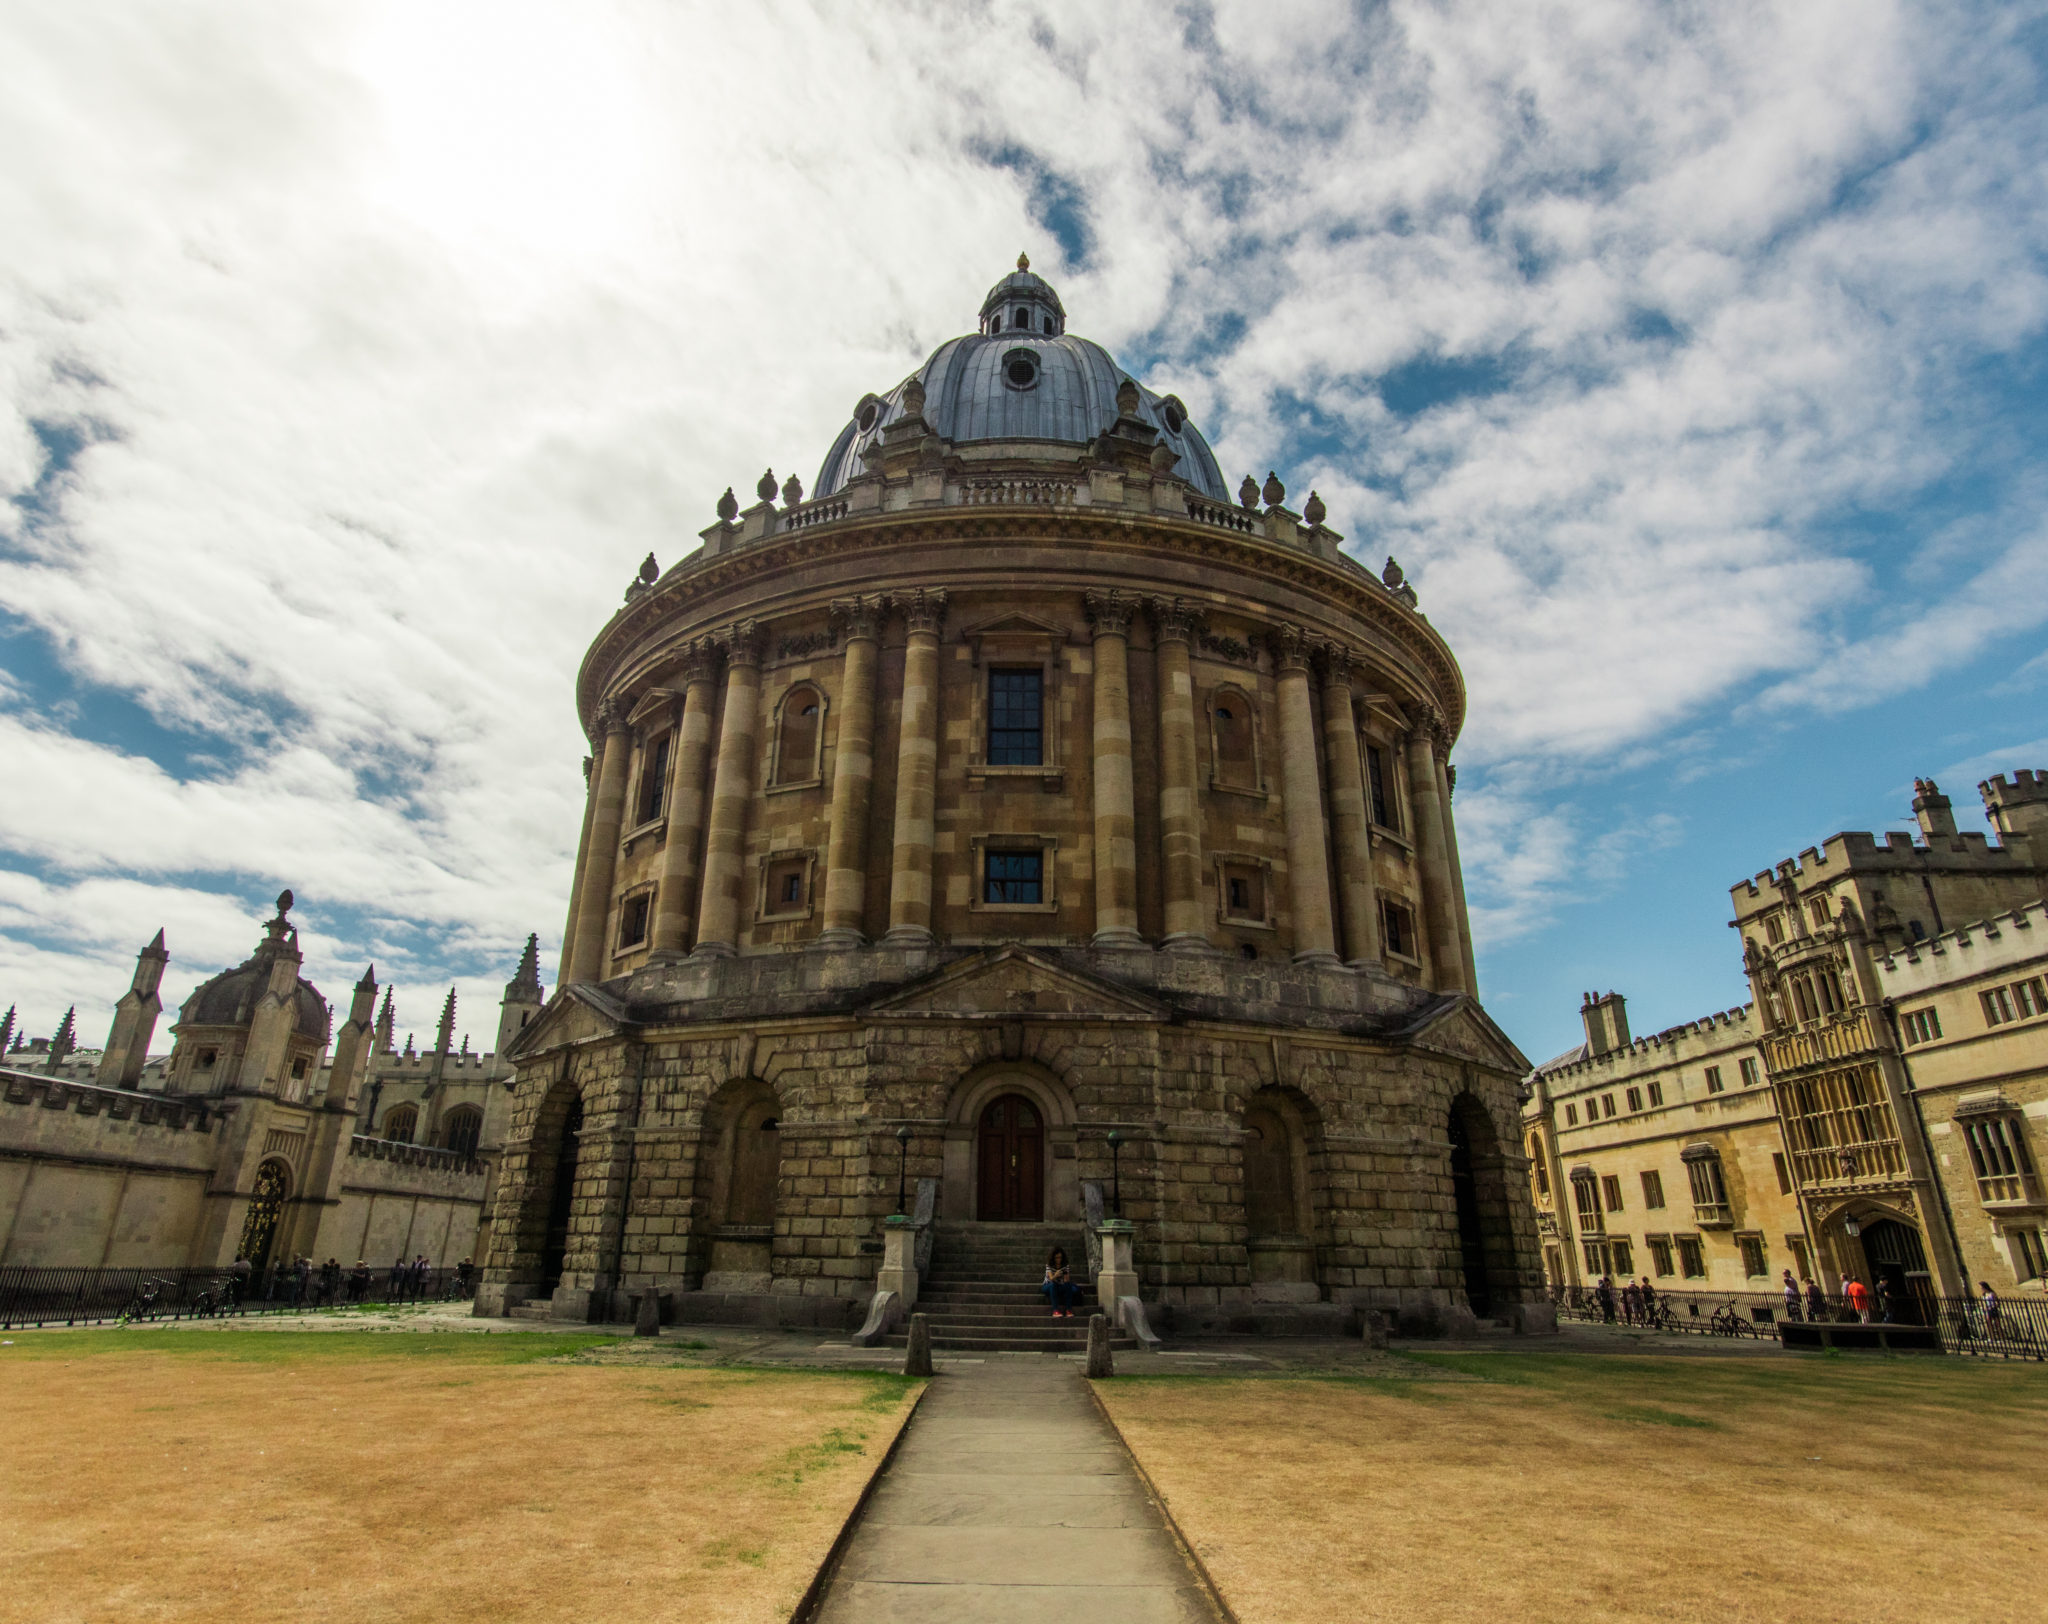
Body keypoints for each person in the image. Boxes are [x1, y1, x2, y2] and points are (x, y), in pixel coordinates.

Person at [1042, 1248, 1078, 1317]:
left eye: (1060, 1257)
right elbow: (1051, 1278)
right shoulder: (1049, 1264)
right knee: (1053, 1285)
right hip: (1048, 1286)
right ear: (1053, 1258)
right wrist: (1056, 1275)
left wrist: (1065, 1277)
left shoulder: (1065, 1265)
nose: (1058, 1260)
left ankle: (1068, 1310)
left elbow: (1066, 1281)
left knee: (1069, 1286)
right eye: (1056, 1258)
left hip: (1060, 1286)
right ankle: (1055, 1310)